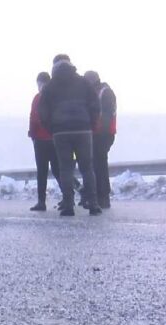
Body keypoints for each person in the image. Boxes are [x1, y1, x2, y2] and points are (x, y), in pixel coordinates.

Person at [39, 54, 102, 216]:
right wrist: (91, 123)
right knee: (87, 167)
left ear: (54, 66)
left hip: (61, 132)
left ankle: (68, 205)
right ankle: (94, 203)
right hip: (83, 129)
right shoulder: (83, 82)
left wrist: (52, 129)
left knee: (65, 168)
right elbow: (95, 104)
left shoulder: (50, 86)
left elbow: (42, 111)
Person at [84, 70, 117, 209]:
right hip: (99, 134)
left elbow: (106, 116)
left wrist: (98, 133)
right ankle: (99, 196)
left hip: (102, 135)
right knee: (96, 165)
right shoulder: (98, 92)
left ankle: (103, 197)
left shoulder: (104, 92)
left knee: (100, 165)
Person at [28, 72, 61, 211]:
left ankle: (41, 202)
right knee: (58, 169)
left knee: (42, 171)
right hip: (55, 139)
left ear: (41, 83)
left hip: (41, 140)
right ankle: (67, 197)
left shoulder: (38, 98)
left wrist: (32, 134)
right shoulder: (58, 96)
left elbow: (33, 117)